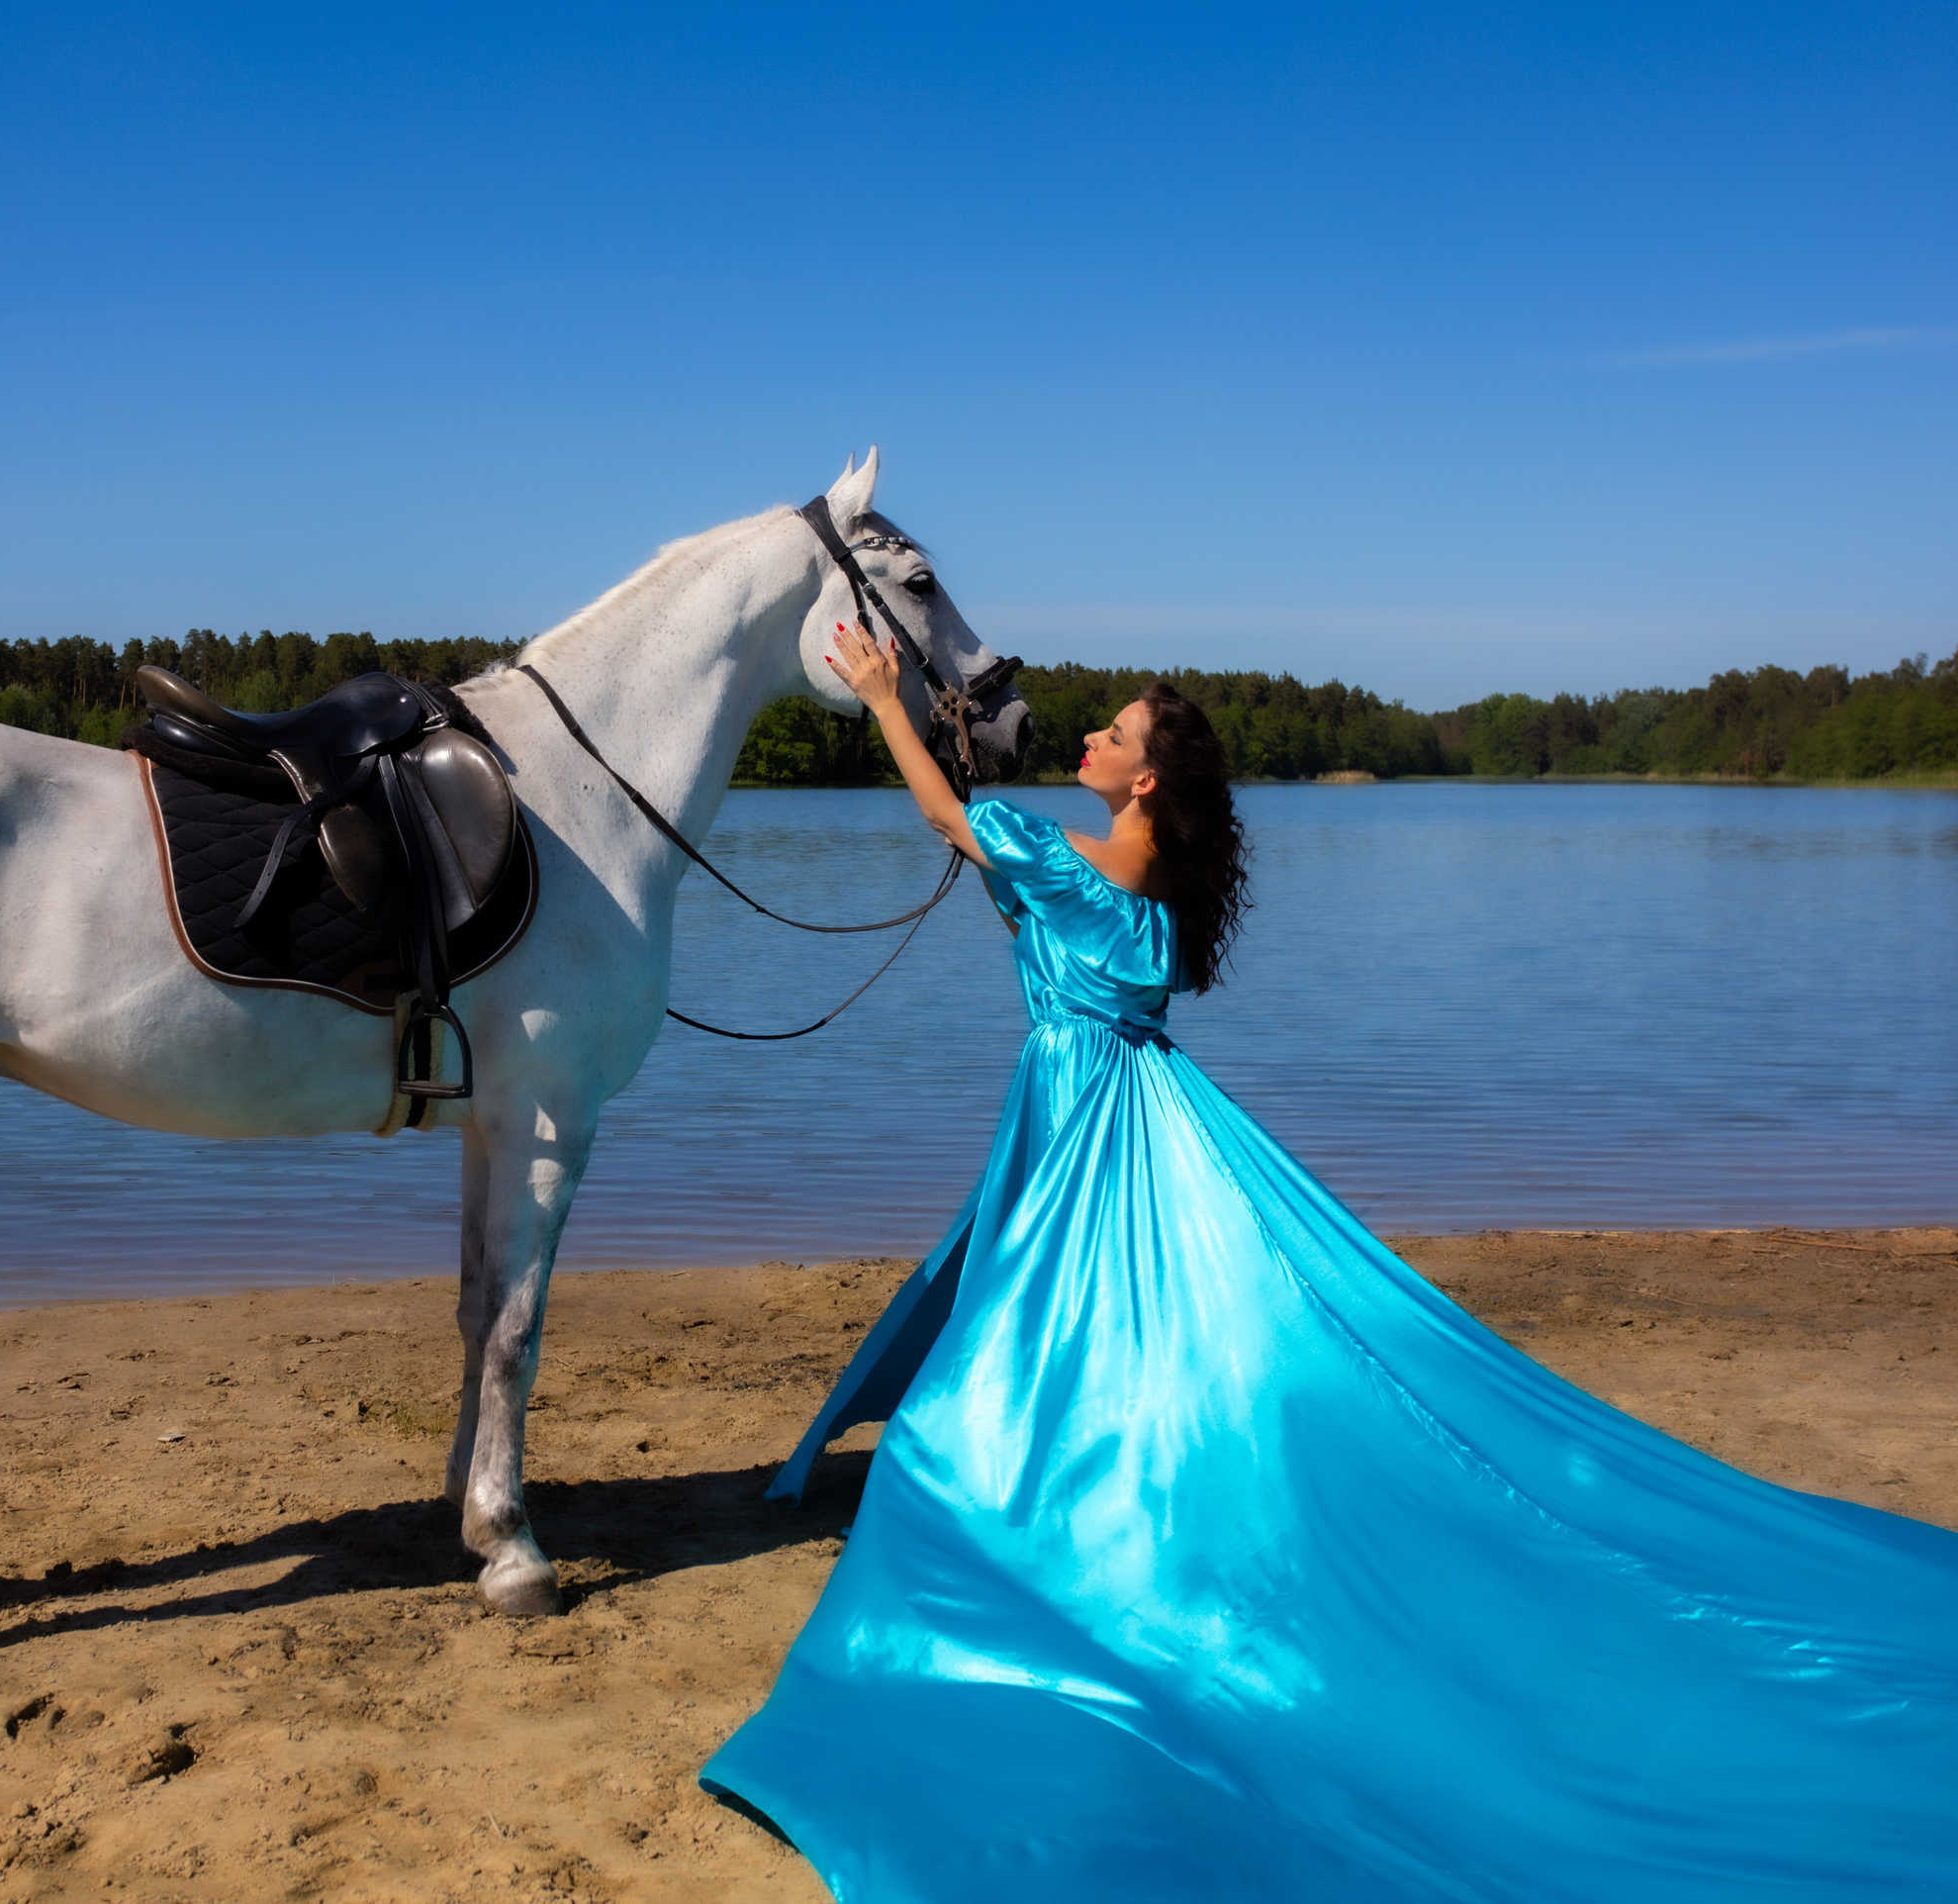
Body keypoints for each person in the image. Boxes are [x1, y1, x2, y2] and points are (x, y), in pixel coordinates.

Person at [699, 621, 1958, 1901]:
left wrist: (881, 699)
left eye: (1112, 735)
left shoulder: (1063, 866)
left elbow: (949, 818)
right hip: (1140, 1112)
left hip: (1081, 1129)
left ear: (1141, 781)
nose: (1086, 736)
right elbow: (1005, 876)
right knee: (1107, 1338)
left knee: (1010, 1368)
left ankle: (987, 1527)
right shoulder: (1142, 905)